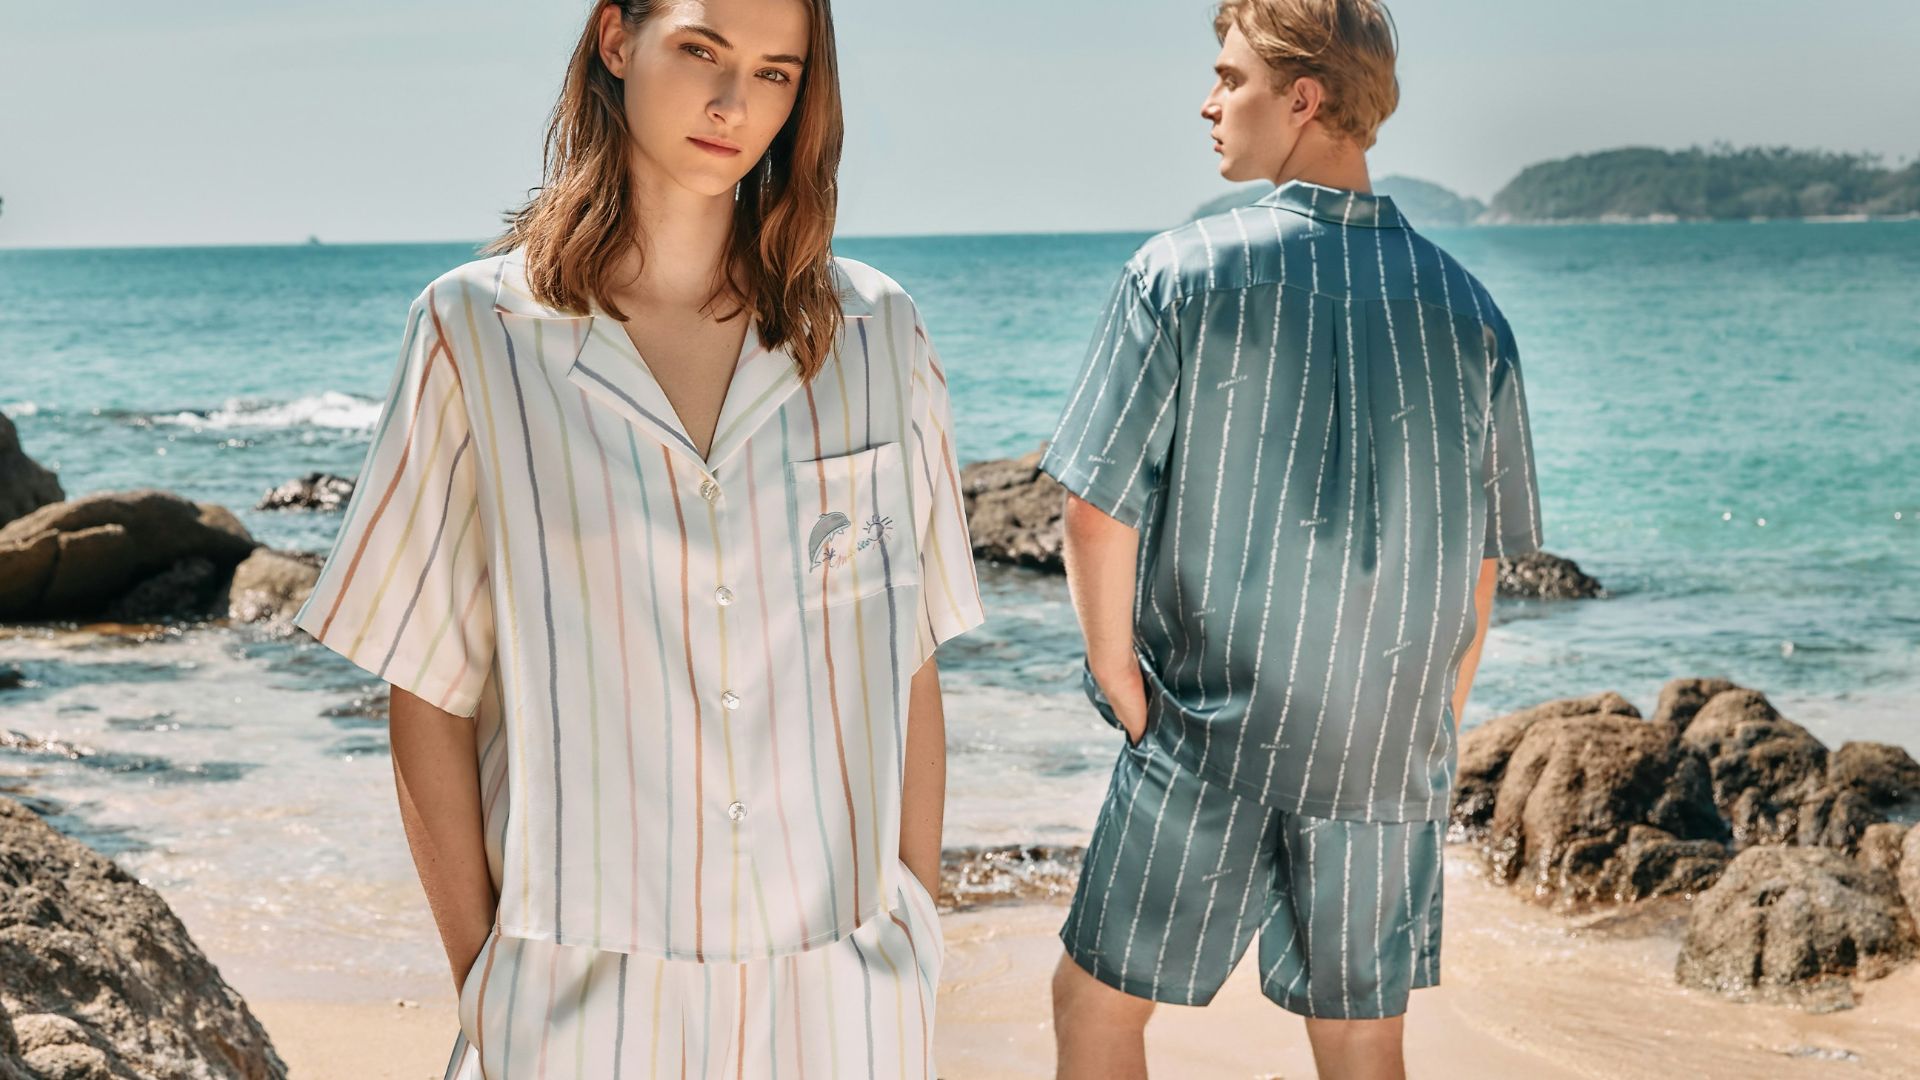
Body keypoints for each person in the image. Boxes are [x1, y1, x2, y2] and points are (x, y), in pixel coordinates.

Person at [291, 1, 985, 1075]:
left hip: (844, 998)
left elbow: (912, 662)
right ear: (617, 40)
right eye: (700, 51)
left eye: (774, 74)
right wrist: (489, 984)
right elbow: (428, 687)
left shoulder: (877, 334)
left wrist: (914, 926)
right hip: (577, 1006)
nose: (731, 103)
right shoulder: (474, 334)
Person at [1040, 1, 1543, 1077]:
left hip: (1206, 731)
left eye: (1231, 78)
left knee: (1096, 1007)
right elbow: (1484, 564)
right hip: (1386, 754)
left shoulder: (1177, 273)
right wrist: (1431, 725)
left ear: (1303, 99)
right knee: (1362, 1045)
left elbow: (1094, 506)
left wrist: (1118, 681)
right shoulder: (1474, 312)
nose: (1209, 101)